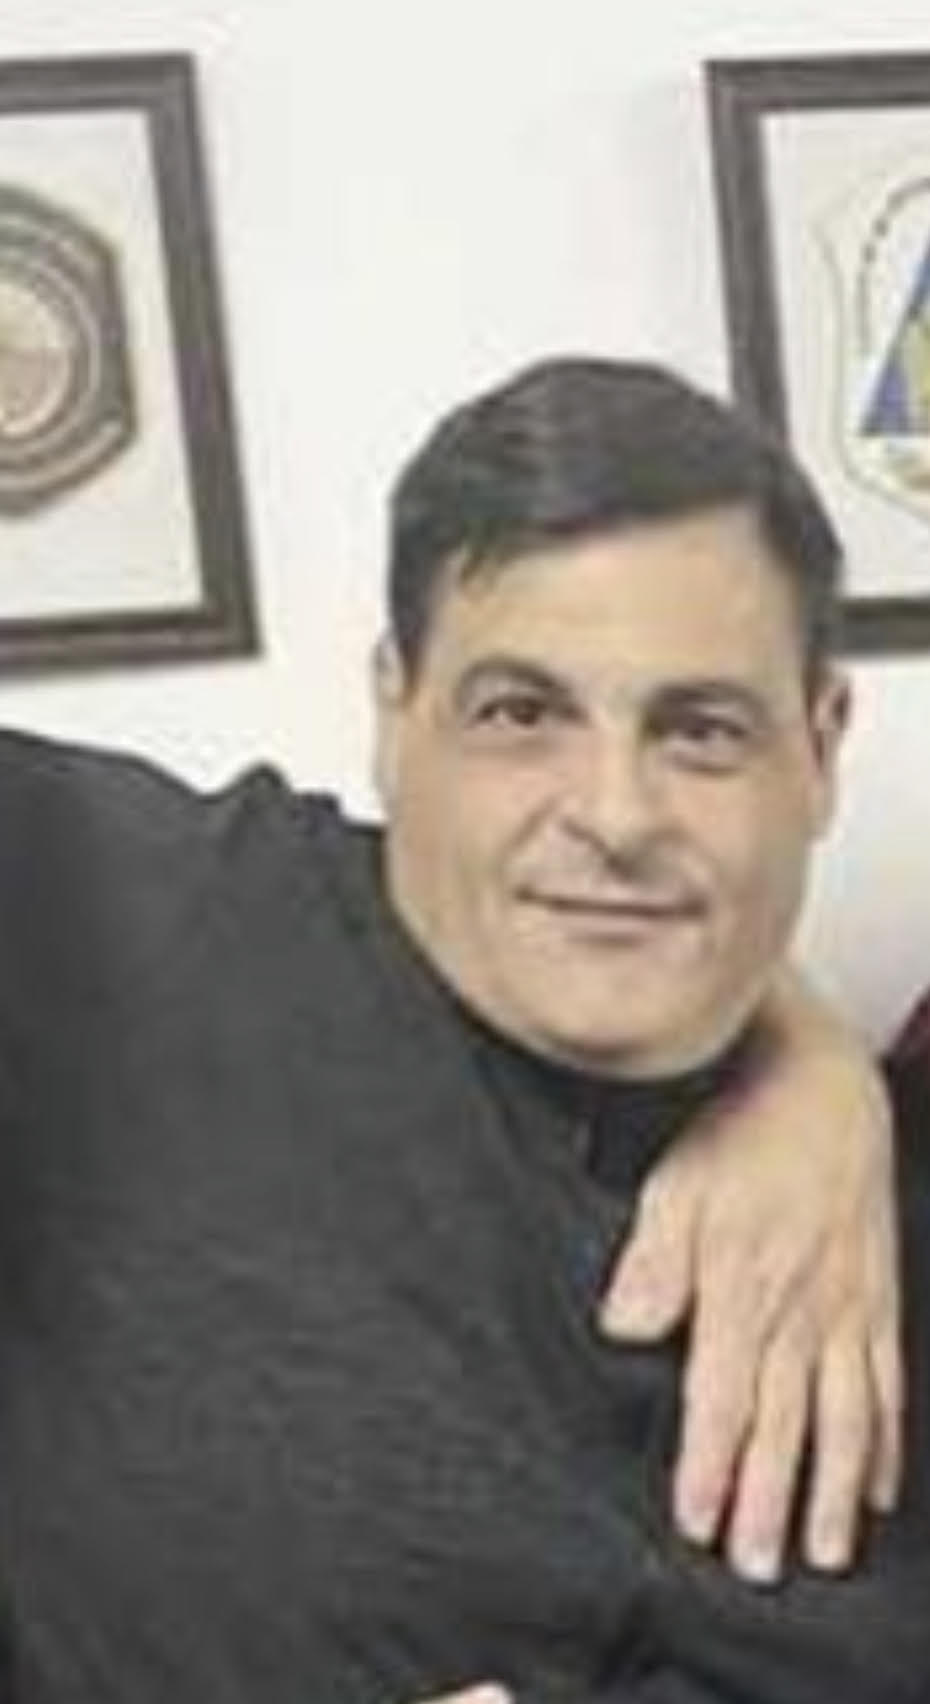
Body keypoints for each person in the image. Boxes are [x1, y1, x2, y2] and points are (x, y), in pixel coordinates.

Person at [0, 357, 917, 1703]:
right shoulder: (122, 924)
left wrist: (814, 1069)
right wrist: (806, 1041)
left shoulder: (888, 1202)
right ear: (394, 708)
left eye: (699, 731)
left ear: (821, 746)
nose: (615, 814)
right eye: (521, 714)